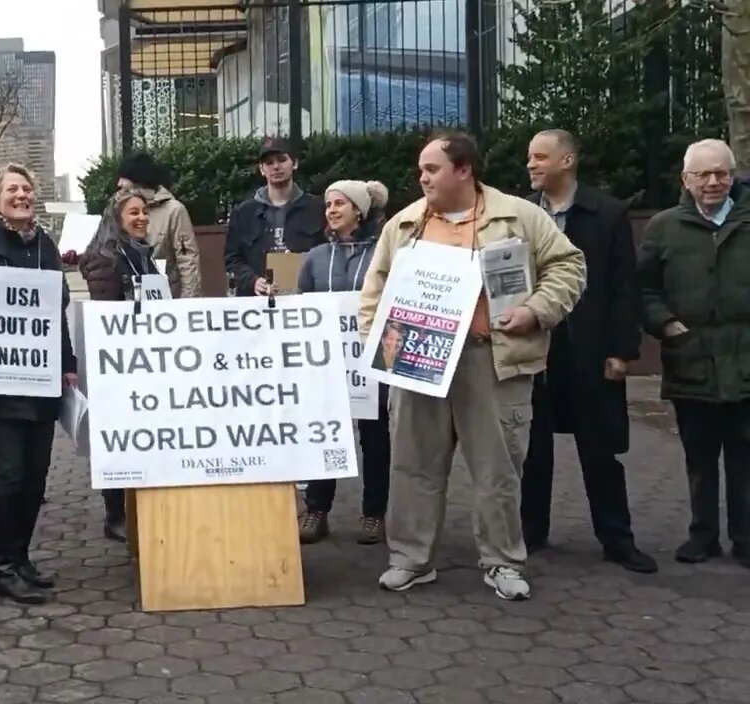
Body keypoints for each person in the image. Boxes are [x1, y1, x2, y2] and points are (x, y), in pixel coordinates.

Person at [358, 132, 586, 601]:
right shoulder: (404, 225)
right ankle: (411, 559)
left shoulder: (519, 216)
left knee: (496, 469)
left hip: (491, 360)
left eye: (432, 169)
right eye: (420, 169)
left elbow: (569, 265)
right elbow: (373, 293)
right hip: (418, 358)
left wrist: (536, 311)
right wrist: (378, 346)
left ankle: (503, 562)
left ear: (464, 170)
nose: (422, 177)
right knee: (413, 465)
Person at [520, 129, 657, 573]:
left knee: (600, 449)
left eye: (541, 157)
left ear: (568, 161)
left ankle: (617, 539)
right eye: (529, 158)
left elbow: (624, 287)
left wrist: (622, 350)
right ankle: (529, 533)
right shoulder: (519, 215)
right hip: (534, 348)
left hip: (592, 349)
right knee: (532, 447)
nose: (532, 165)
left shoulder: (608, 213)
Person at [0, 163, 78, 605]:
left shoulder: (45, 246)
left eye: (26, 188)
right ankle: (5, 568)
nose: (21, 195)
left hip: (41, 383)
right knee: (6, 478)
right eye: (12, 190)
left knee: (35, 479)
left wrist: (67, 362)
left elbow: (53, 311)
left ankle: (21, 558)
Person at [638, 138, 750, 569]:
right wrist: (666, 324)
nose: (713, 182)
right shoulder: (664, 227)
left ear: (732, 174)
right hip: (691, 359)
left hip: (744, 360)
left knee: (745, 458)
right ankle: (702, 536)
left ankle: (745, 538)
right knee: (699, 458)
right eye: (702, 174)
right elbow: (644, 287)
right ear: (685, 180)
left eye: (721, 172)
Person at [296, 179, 391, 546]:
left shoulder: (382, 254)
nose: (331, 210)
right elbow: (301, 302)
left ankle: (374, 514)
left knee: (375, 437)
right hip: (327, 364)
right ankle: (317, 509)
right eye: (328, 205)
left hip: (372, 361)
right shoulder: (316, 257)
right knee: (324, 434)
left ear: (359, 211)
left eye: (339, 204)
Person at [79, 187, 159, 543]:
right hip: (118, 363)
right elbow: (108, 316)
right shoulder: (105, 259)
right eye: (134, 213)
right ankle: (115, 514)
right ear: (117, 219)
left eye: (144, 212)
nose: (141, 217)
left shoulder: (142, 254)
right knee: (118, 438)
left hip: (147, 359)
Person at [225, 136, 327, 296]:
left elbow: (327, 253)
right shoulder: (244, 213)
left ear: (294, 164)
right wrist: (253, 281)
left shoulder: (316, 208)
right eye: (269, 163)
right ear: (261, 169)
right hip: (256, 303)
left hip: (304, 300)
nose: (276, 167)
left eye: (282, 160)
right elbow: (232, 258)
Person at [115, 151, 201, 298]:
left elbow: (187, 260)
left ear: (138, 179)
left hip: (165, 301)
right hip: (127, 302)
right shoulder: (118, 207)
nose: (119, 184)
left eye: (124, 178)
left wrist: (188, 303)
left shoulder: (174, 211)